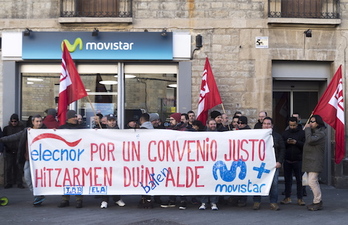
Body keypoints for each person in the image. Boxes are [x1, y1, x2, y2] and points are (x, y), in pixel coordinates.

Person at [0, 115, 46, 206]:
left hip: (42, 161)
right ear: (33, 122)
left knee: (42, 179)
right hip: (28, 159)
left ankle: (38, 196)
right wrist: (1, 140)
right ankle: (38, 194)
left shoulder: (46, 131)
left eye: (40, 121)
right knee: (27, 177)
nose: (39, 123)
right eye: (37, 121)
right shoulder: (27, 131)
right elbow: (14, 137)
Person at [253, 117, 285, 211]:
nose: (266, 126)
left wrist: (279, 161)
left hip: (273, 165)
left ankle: (273, 202)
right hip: (259, 164)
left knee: (274, 184)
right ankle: (256, 201)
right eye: (265, 124)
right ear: (262, 125)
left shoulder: (277, 136)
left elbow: (282, 149)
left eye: (268, 124)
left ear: (272, 126)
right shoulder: (256, 135)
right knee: (257, 182)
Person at [161, 113, 188, 209]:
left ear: (177, 120)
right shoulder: (168, 131)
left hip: (181, 159)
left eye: (172, 119)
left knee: (181, 179)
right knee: (172, 180)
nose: (170, 121)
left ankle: (183, 200)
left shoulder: (184, 130)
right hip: (171, 159)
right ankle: (172, 200)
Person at [58, 110, 85, 208]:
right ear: (68, 118)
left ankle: (79, 199)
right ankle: (65, 199)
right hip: (66, 158)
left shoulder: (82, 128)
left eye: (76, 117)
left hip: (79, 157)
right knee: (66, 178)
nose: (75, 119)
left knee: (78, 178)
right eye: (73, 117)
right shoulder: (62, 128)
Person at [100, 114, 125, 209]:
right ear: (106, 122)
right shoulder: (102, 131)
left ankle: (117, 198)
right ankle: (104, 200)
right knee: (105, 179)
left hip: (117, 159)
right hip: (105, 159)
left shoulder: (120, 132)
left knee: (116, 179)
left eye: (113, 120)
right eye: (110, 120)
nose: (112, 122)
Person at [302, 115, 326, 211]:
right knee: (311, 181)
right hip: (309, 161)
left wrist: (307, 130)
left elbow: (310, 140)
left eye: (313, 121)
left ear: (318, 123)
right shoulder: (313, 132)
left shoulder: (321, 133)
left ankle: (318, 201)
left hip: (315, 161)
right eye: (310, 121)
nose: (310, 123)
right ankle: (316, 200)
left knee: (312, 181)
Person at [281, 117, 306, 206]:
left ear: (297, 124)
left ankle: (300, 198)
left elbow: (305, 145)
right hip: (287, 159)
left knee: (300, 180)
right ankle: (287, 197)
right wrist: (287, 142)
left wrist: (297, 143)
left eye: (294, 125)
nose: (292, 127)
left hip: (298, 160)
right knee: (287, 180)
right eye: (290, 125)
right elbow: (281, 145)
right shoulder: (285, 133)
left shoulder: (302, 133)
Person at [3, 113, 25, 189]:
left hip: (18, 150)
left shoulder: (21, 128)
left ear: (17, 121)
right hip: (9, 150)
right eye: (12, 121)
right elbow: (4, 139)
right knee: (8, 167)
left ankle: (19, 182)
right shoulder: (6, 128)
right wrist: (6, 148)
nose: (13, 123)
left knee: (19, 167)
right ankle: (9, 182)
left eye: (15, 121)